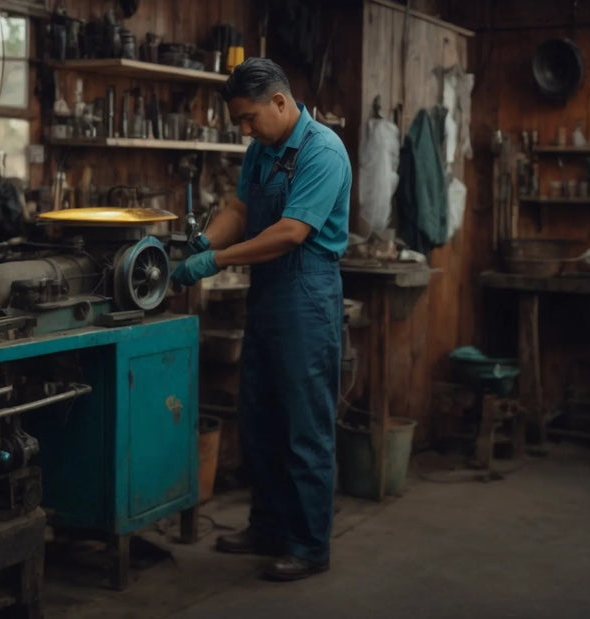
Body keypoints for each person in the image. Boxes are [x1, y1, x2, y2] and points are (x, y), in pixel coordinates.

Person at [171, 57, 351, 581]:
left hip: (308, 293)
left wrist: (215, 261)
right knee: (260, 418)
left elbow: (291, 232)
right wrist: (206, 238)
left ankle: (309, 544)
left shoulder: (323, 151)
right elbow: (243, 210)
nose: (245, 130)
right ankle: (269, 527)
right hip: (269, 294)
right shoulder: (262, 150)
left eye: (250, 118)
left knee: (305, 426)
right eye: (239, 123)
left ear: (279, 101)